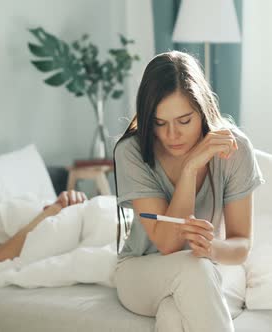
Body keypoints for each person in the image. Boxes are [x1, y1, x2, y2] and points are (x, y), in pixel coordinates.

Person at [113, 51, 264, 331]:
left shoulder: (235, 148)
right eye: (160, 123)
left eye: (184, 121)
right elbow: (168, 244)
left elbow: (241, 244)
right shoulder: (130, 152)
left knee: (174, 315)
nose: (172, 135)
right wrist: (191, 168)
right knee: (194, 268)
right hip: (141, 271)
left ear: (203, 111)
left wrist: (211, 248)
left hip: (208, 266)